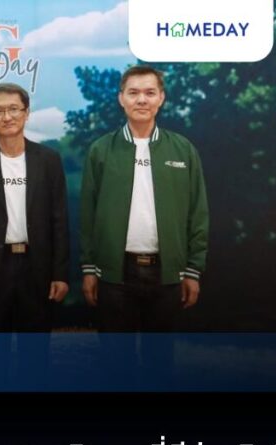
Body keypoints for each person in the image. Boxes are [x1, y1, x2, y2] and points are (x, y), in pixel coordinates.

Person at [79, 65, 208, 349]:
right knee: (115, 358)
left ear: (161, 98)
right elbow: (88, 215)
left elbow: (198, 213)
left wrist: (193, 269)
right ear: (121, 98)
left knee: (159, 358)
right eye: (133, 92)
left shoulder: (183, 149)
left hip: (168, 272)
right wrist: (89, 268)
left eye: (150, 93)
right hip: (114, 272)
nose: (141, 100)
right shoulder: (101, 150)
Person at [0, 83, 71, 337]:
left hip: (37, 267)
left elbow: (60, 221)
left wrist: (60, 274)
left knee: (35, 348)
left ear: (27, 112)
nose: (7, 117)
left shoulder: (48, 159)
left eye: (14, 109)